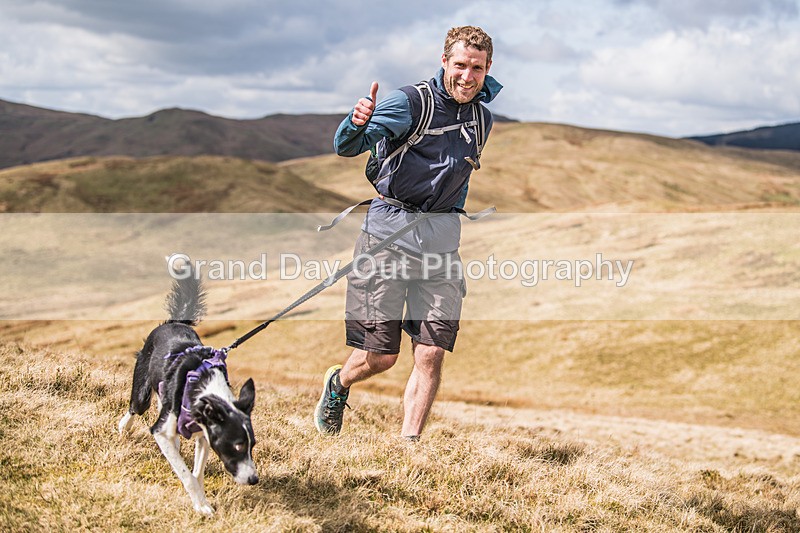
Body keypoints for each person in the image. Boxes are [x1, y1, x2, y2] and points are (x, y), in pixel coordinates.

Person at [314, 25, 502, 440]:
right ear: (444, 62)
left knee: (432, 351)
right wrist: (355, 122)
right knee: (380, 357)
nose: (467, 77)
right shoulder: (409, 103)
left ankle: (408, 445)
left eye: (477, 68)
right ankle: (338, 384)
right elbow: (346, 147)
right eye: (460, 65)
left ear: (488, 69)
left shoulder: (481, 118)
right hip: (388, 238)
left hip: (441, 246)